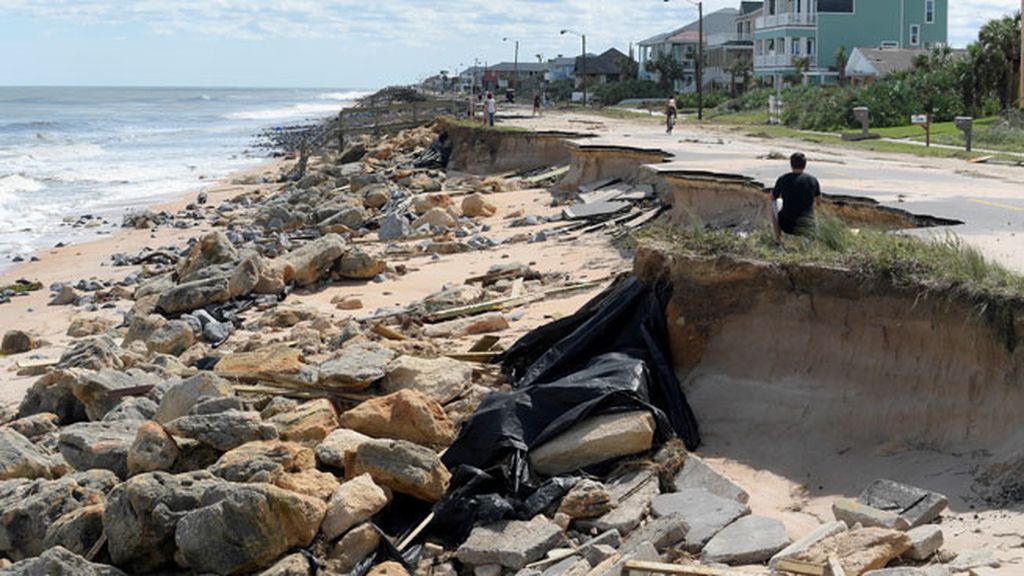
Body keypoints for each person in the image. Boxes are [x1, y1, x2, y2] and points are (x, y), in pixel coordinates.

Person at [771, 152, 822, 239]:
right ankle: (810, 238)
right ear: (805, 165)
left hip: (787, 226)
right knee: (813, 208)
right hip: (807, 225)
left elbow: (772, 197)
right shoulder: (813, 180)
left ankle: (778, 240)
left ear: (791, 165)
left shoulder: (783, 179)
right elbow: (819, 202)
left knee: (774, 203)